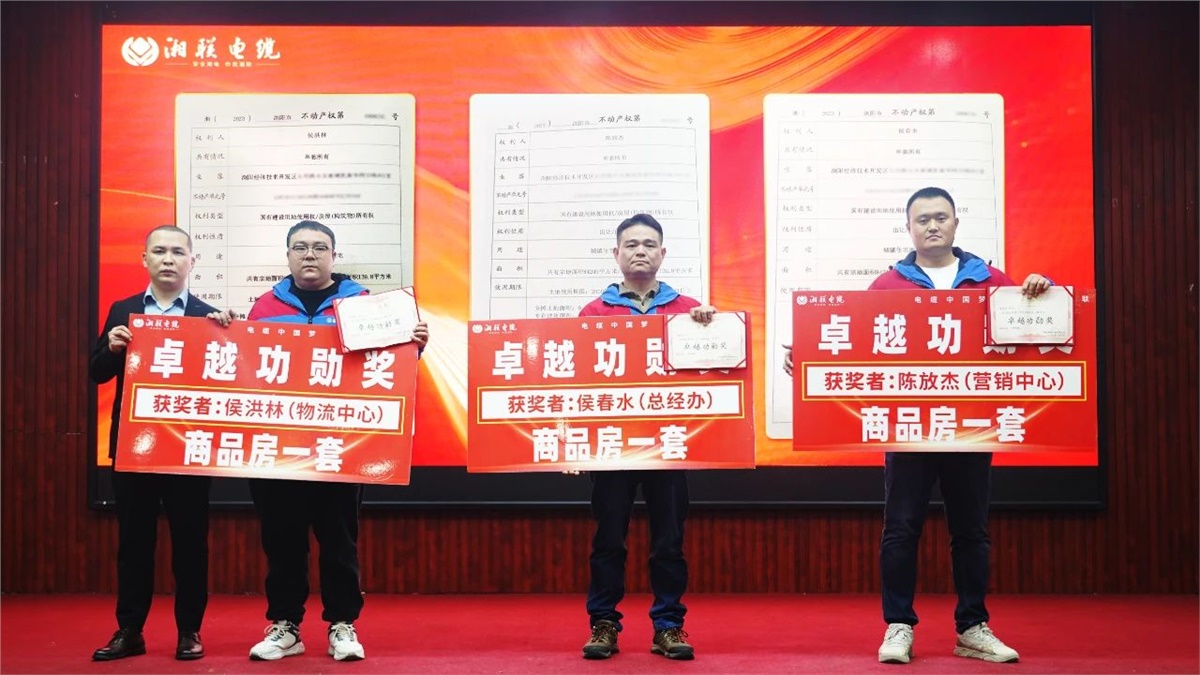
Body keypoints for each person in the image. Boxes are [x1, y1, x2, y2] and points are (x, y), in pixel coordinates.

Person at [784, 187, 1049, 665]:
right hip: (907, 430)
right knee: (901, 529)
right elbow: (853, 342)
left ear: (955, 224)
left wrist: (1039, 292)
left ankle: (972, 627)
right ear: (908, 228)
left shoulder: (990, 279)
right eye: (922, 219)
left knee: (971, 532)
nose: (932, 225)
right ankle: (898, 625)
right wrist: (807, 355)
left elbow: (1035, 332)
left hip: (970, 429)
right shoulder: (887, 286)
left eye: (941, 217)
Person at [245, 220, 429, 662]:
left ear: (333, 256)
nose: (309, 255)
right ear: (288, 256)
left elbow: (388, 367)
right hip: (280, 451)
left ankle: (342, 625)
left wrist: (413, 345)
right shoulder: (263, 308)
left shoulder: (365, 305)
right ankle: (285, 626)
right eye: (300, 248)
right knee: (282, 541)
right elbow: (246, 369)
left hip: (342, 449)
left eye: (319, 247)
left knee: (339, 542)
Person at [89, 225, 232, 661]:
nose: (168, 259)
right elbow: (96, 373)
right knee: (134, 543)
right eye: (159, 251)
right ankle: (130, 630)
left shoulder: (209, 317)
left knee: (191, 543)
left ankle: (189, 631)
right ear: (145, 259)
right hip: (134, 448)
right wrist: (112, 348)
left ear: (192, 261)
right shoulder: (124, 309)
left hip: (188, 449)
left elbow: (229, 384)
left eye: (177, 252)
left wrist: (230, 335)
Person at [577, 213, 716, 661]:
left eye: (649, 244)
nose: (641, 251)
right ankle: (603, 624)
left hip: (669, 446)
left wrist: (713, 330)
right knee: (608, 540)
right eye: (632, 244)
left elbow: (716, 373)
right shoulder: (593, 314)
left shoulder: (690, 310)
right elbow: (576, 386)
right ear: (616, 254)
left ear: (662, 253)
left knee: (668, 542)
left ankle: (668, 626)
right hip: (611, 449)